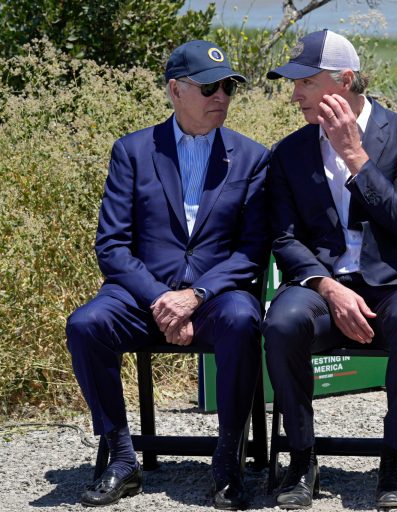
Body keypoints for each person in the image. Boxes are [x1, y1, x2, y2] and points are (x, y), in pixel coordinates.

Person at [66, 40, 270, 510]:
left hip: (217, 296)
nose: (222, 96)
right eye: (210, 87)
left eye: (229, 87)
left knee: (243, 320)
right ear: (176, 90)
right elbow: (112, 246)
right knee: (86, 325)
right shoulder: (133, 151)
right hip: (143, 295)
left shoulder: (251, 157)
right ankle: (121, 457)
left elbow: (252, 250)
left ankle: (227, 460)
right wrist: (163, 298)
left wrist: (195, 295)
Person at [263, 29, 397, 509]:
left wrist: (356, 158)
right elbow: (284, 238)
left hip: (392, 283)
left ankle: (394, 458)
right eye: (293, 83)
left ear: (343, 80)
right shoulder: (290, 151)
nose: (295, 93)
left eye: (305, 81)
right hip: (322, 284)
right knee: (282, 322)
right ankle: (301, 459)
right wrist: (328, 288)